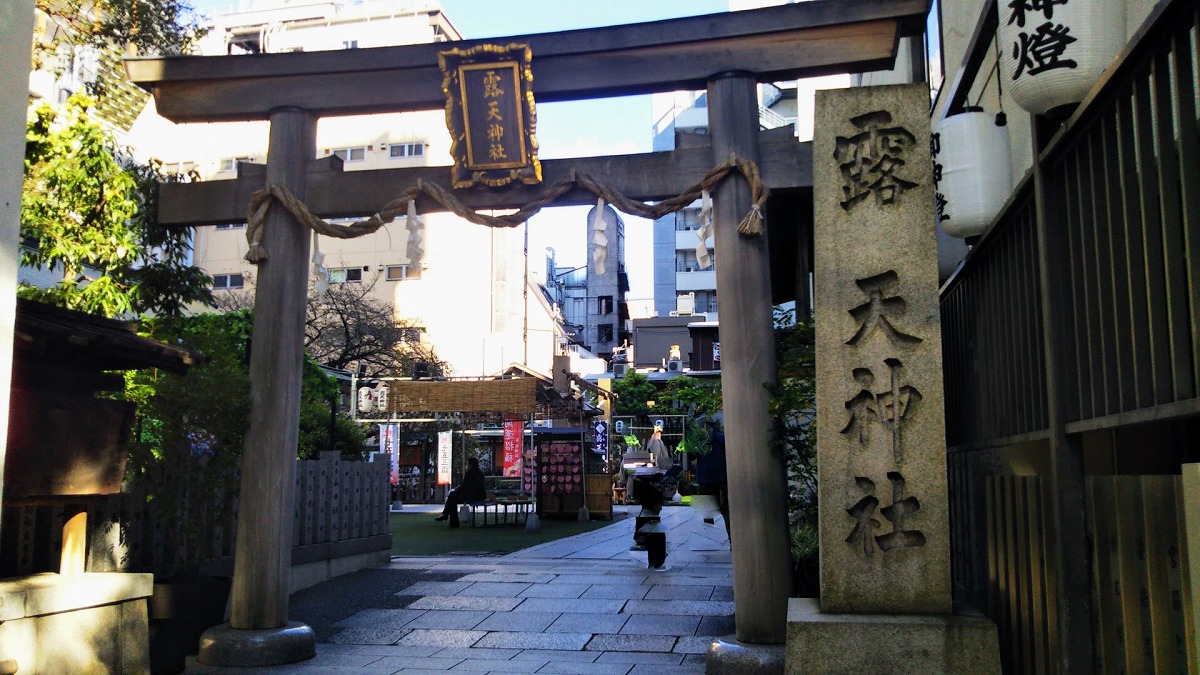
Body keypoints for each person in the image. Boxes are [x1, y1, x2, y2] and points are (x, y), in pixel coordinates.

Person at [695, 417, 730, 540]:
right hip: (721, 475)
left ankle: (708, 534)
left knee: (708, 507)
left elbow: (692, 455)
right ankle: (730, 538)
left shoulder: (700, 440)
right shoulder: (720, 437)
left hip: (705, 477)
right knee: (725, 508)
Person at [434, 457, 486, 528]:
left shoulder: (470, 473)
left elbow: (465, 486)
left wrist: (457, 489)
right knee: (453, 498)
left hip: (472, 496)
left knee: (452, 496)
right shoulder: (481, 474)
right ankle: (445, 515)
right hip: (480, 496)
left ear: (470, 465)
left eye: (468, 464)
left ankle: (447, 516)